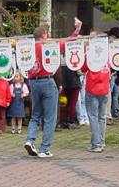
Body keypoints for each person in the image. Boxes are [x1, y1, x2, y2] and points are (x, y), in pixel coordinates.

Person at [24, 19, 81, 158]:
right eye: (47, 33)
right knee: (50, 117)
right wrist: (76, 31)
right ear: (44, 35)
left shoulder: (29, 47)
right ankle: (44, 149)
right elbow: (67, 42)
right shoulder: (48, 45)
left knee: (35, 115)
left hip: (33, 82)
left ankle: (30, 140)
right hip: (47, 81)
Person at [83, 44, 110, 153]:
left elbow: (83, 68)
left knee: (93, 117)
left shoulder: (90, 55)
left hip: (92, 88)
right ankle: (101, 142)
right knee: (101, 117)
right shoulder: (107, 55)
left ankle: (97, 144)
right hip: (104, 89)